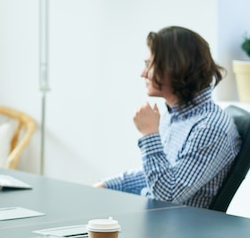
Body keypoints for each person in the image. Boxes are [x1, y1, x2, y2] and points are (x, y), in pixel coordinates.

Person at [94, 26, 241, 209]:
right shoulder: (176, 116)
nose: (143, 73)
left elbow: (168, 195)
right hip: (154, 218)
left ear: (175, 67)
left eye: (149, 65)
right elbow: (156, 174)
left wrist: (149, 134)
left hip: (174, 230)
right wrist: (106, 185)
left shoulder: (210, 127)